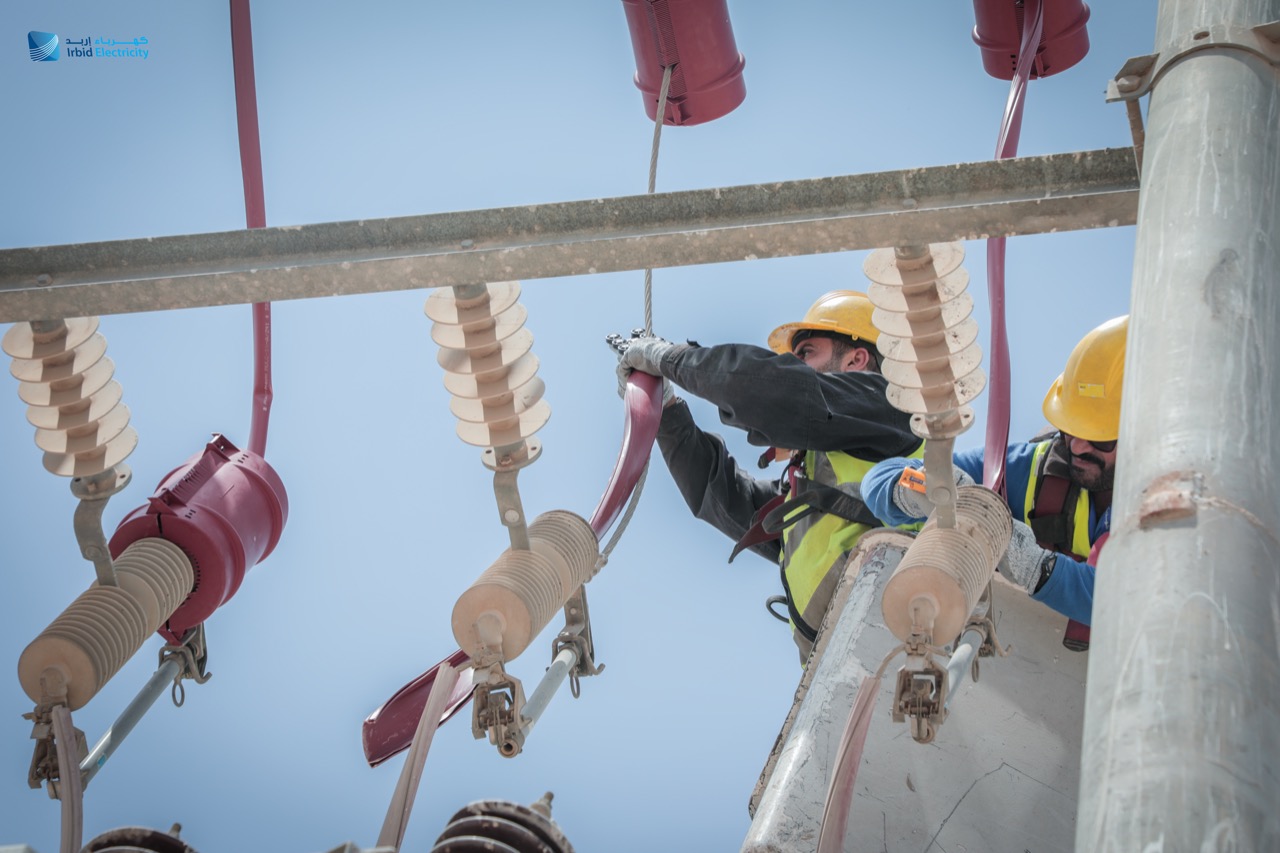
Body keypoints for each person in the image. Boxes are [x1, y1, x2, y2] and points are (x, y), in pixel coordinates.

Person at [613, 291, 923, 661]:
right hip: (837, 655)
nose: (795, 365)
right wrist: (667, 412)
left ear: (857, 359)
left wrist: (673, 359)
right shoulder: (821, 476)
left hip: (900, 622)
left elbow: (777, 391)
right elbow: (723, 497)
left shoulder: (890, 407)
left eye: (807, 353)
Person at [862, 314, 1128, 631]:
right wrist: (913, 487)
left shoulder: (1173, 512)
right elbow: (879, 479)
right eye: (1070, 429)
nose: (1079, 447)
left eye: (1100, 436)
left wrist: (1029, 563)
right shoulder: (1030, 469)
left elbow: (1117, 601)